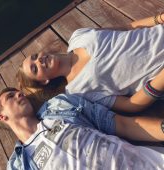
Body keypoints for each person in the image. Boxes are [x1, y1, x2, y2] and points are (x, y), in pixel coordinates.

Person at [16, 13, 164, 113]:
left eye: (35, 56)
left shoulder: (77, 36)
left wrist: (159, 18)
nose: (39, 60)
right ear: (44, 82)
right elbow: (129, 105)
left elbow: (126, 28)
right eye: (34, 68)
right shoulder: (77, 91)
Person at [0, 87, 164, 170]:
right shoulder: (18, 165)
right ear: (2, 116)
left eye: (19, 92)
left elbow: (123, 125)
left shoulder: (59, 105)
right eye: (10, 96)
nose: (20, 94)